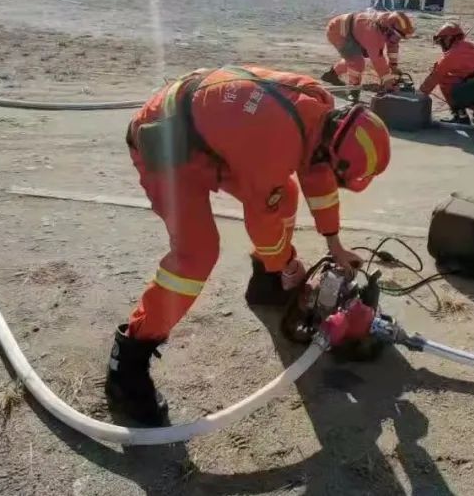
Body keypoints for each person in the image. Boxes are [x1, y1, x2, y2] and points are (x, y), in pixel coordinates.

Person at [106, 65, 392, 425]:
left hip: (208, 136)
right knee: (197, 254)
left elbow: (316, 175)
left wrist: (334, 243)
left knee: (284, 192)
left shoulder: (320, 110)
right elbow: (264, 228)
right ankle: (128, 362)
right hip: (165, 145)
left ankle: (266, 285)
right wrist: (289, 266)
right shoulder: (274, 146)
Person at [321, 11, 415, 98]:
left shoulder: (385, 27)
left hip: (353, 32)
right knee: (357, 63)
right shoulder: (372, 32)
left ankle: (331, 75)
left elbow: (392, 46)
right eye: (396, 36)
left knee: (352, 60)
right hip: (338, 32)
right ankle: (353, 91)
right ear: (388, 29)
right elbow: (378, 60)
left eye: (399, 37)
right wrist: (387, 81)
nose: (397, 40)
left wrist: (393, 65)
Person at [418, 23, 474, 125]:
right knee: (462, 80)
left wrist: (420, 94)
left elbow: (435, 76)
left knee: (445, 80)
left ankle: (460, 115)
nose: (442, 45)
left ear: (449, 38)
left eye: (442, 41)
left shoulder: (453, 54)